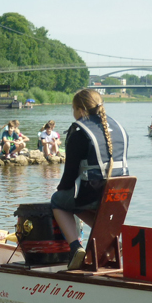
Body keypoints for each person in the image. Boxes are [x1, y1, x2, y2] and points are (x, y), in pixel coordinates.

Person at [52, 89, 129, 270]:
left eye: (73, 109)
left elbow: (70, 174)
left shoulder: (79, 130)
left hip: (93, 191)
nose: (73, 113)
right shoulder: (117, 125)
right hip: (120, 192)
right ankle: (111, 238)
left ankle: (75, 247)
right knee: (77, 203)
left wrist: (60, 189)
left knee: (59, 202)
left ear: (80, 109)